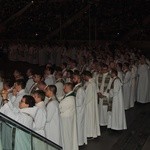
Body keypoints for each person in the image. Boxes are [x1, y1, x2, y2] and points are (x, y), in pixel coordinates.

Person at [59, 82, 78, 150]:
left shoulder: (70, 98)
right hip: (67, 119)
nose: (63, 89)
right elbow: (61, 99)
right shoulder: (68, 95)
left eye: (64, 87)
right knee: (67, 135)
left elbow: (61, 107)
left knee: (67, 136)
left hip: (67, 120)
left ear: (67, 88)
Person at [83, 71, 100, 138]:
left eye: (84, 76)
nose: (83, 78)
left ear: (87, 76)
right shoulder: (89, 83)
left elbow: (88, 96)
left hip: (89, 104)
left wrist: (83, 103)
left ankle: (90, 134)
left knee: (90, 118)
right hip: (90, 103)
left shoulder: (90, 84)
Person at [72, 72, 87, 146]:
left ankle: (80, 142)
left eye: (74, 78)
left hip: (79, 110)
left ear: (78, 79)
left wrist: (71, 103)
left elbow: (79, 102)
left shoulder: (80, 89)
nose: (72, 80)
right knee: (77, 126)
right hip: (76, 110)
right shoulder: (76, 87)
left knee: (79, 126)